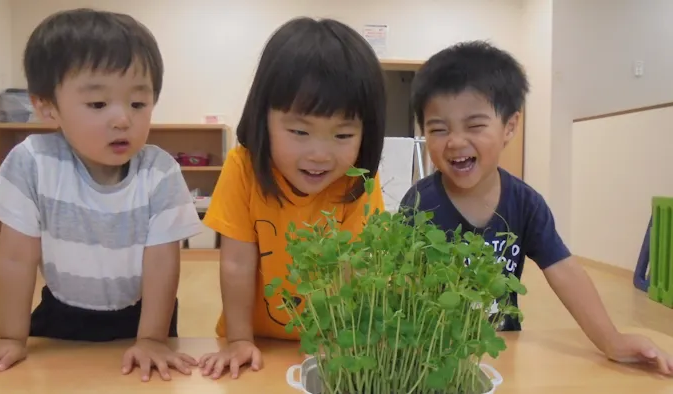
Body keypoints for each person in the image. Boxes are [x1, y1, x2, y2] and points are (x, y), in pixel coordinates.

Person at [400, 40, 673, 375]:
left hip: (500, 347)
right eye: (439, 129)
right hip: (432, 351)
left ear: (510, 127)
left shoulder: (525, 204)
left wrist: (610, 340)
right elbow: (399, 285)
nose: (455, 142)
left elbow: (565, 271)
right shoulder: (418, 203)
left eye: (474, 125)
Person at [0, 9, 204, 381]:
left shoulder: (160, 171)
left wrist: (152, 337)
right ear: (47, 106)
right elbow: (16, 259)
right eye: (98, 104)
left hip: (143, 319)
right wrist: (10, 338)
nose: (122, 119)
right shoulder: (33, 162)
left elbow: (163, 264)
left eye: (138, 104)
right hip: (60, 313)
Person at [198, 17, 387, 379]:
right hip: (253, 345)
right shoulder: (243, 168)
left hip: (329, 344)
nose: (319, 154)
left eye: (343, 136)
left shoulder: (360, 182)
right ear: (263, 118)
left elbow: (356, 270)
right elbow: (236, 264)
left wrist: (345, 340)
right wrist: (239, 339)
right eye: (300, 131)